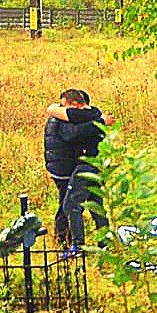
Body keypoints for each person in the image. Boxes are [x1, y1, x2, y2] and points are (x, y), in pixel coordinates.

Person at [46, 91, 111, 251]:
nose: (61, 109)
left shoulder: (79, 121)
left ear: (74, 105)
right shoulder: (94, 117)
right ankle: (105, 243)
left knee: (70, 205)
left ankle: (76, 245)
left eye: (64, 106)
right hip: (94, 165)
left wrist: (58, 111)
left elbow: (71, 135)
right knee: (96, 204)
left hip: (83, 166)